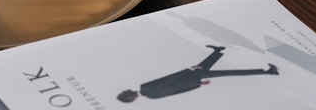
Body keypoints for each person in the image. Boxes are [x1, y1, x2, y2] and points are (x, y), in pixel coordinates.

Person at [117, 45, 278, 103]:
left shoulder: (151, 96)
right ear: (130, 98)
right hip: (191, 78)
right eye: (125, 94)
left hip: (192, 80)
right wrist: (191, 73)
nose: (125, 91)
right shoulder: (146, 90)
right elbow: (168, 81)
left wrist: (197, 85)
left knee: (213, 68)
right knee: (228, 72)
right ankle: (268, 71)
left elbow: (176, 91)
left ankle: (218, 51)